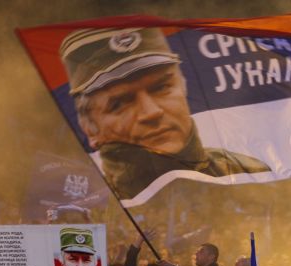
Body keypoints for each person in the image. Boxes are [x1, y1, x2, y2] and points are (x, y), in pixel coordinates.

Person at [59, 27, 271, 201]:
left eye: (161, 88)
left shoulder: (250, 172)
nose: (151, 112)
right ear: (90, 128)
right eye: (119, 103)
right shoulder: (90, 204)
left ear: (184, 88)